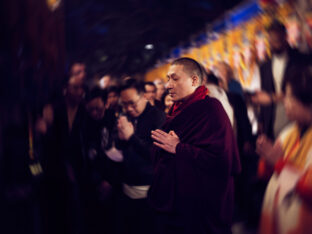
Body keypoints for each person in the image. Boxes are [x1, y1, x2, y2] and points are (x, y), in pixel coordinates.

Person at [148, 57, 241, 234]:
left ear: (194, 80)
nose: (168, 85)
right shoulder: (177, 110)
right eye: (168, 79)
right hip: (176, 209)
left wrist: (179, 148)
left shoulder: (211, 110)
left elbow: (222, 161)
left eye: (174, 79)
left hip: (201, 211)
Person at [257, 65, 312, 234]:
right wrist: (267, 159)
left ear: (306, 101)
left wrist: (279, 163)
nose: (285, 102)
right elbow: (264, 173)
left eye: (289, 96)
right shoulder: (289, 132)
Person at [115, 78, 166, 234]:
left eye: (132, 103)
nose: (129, 108)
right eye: (124, 104)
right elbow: (121, 148)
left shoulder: (157, 117)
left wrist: (131, 137)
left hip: (150, 192)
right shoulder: (126, 115)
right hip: (127, 189)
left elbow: (155, 155)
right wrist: (121, 138)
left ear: (144, 96)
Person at [252, 19, 312, 140]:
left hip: (298, 118)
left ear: (285, 36)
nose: (276, 42)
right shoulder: (264, 66)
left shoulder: (301, 59)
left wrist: (271, 98)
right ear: (268, 40)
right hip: (273, 122)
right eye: (273, 39)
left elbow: (305, 88)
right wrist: (261, 121)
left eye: (278, 38)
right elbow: (263, 94)